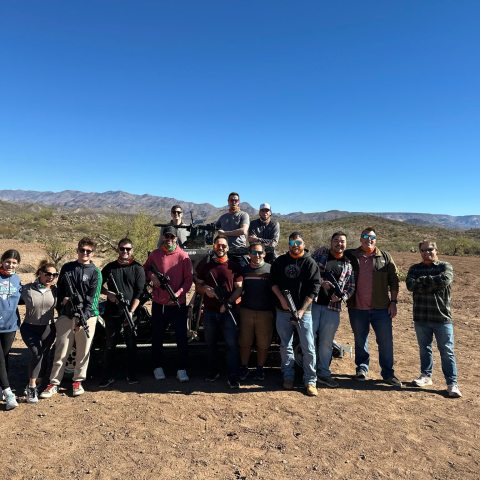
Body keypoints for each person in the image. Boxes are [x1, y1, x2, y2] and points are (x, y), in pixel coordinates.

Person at [40, 237, 102, 398]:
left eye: (88, 251)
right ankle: (53, 383)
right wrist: (63, 306)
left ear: (92, 253)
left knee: (83, 351)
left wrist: (84, 318)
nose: (85, 253)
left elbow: (93, 298)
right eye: (82, 250)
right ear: (78, 250)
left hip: (87, 317)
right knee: (61, 350)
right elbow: (60, 291)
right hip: (66, 316)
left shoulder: (96, 272)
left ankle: (78, 381)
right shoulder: (67, 268)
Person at [345, 227, 402, 387]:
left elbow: (394, 281)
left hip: (381, 308)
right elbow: (333, 254)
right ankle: (362, 369)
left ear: (376, 239)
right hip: (357, 307)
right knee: (360, 340)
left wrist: (394, 302)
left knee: (385, 342)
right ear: (360, 238)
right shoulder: (351, 255)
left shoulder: (384, 256)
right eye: (365, 236)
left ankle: (388, 374)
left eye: (372, 237)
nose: (368, 240)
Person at [406, 240, 462, 398]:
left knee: (447, 351)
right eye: (423, 250)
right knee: (425, 349)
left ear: (436, 250)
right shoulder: (414, 268)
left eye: (430, 249)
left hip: (442, 317)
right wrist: (431, 281)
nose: (426, 253)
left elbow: (444, 280)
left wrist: (421, 282)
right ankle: (426, 376)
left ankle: (452, 384)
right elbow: (410, 285)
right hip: (421, 317)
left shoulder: (445, 266)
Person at [271, 232, 321, 397]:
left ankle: (310, 381)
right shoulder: (280, 261)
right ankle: (288, 376)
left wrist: (301, 309)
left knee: (308, 347)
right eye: (292, 242)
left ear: (303, 243)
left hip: (304, 313)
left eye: (298, 242)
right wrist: (281, 300)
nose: (295, 245)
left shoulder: (310, 263)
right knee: (286, 346)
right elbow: (273, 283)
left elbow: (315, 288)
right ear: (288, 244)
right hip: (282, 311)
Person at [144, 226, 193, 382]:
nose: (169, 240)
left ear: (176, 238)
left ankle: (182, 368)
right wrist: (152, 277)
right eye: (167, 237)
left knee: (181, 338)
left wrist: (178, 295)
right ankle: (157, 367)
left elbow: (188, 281)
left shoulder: (183, 256)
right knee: (157, 336)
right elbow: (145, 269)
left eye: (172, 237)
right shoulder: (155, 254)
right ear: (163, 237)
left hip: (178, 306)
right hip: (159, 304)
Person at [195, 234, 243, 388]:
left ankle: (233, 376)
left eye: (223, 245)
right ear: (213, 247)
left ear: (227, 247)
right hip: (209, 312)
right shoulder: (206, 266)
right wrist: (205, 290)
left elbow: (239, 289)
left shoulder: (234, 266)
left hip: (228, 312)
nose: (220, 248)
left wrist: (228, 303)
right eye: (217, 245)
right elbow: (198, 286)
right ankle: (213, 372)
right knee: (211, 344)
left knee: (231, 345)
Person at [311, 232, 355, 388]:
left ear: (346, 244)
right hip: (313, 304)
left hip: (333, 308)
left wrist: (342, 297)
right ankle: (309, 373)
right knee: (309, 340)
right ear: (331, 242)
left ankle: (323, 373)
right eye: (336, 240)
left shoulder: (347, 264)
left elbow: (351, 287)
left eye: (342, 241)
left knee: (326, 342)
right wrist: (321, 281)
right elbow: (309, 271)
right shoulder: (320, 255)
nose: (339, 244)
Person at [100, 238, 146, 386]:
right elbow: (98, 286)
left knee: (131, 344)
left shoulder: (138, 268)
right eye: (122, 249)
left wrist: (131, 312)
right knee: (110, 344)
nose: (125, 252)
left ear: (132, 250)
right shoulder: (110, 268)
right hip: (112, 312)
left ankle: (132, 375)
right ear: (118, 250)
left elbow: (140, 293)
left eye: (128, 249)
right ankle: (107, 376)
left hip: (131, 312)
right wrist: (109, 294)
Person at [20, 261, 58, 404]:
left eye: (54, 275)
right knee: (37, 353)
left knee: (45, 355)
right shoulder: (27, 289)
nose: (51, 277)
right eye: (48, 274)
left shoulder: (55, 290)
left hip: (48, 328)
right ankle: (31, 387)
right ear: (40, 273)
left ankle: (41, 381)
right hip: (29, 327)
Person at [238, 242, 275, 382]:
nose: (257, 255)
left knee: (263, 343)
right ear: (249, 254)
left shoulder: (271, 270)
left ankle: (260, 369)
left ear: (264, 254)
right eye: (254, 252)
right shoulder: (244, 270)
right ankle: (244, 367)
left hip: (265, 313)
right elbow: (239, 289)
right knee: (244, 342)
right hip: (246, 311)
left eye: (260, 252)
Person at [0, 249, 22, 410]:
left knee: (5, 356)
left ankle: (1, 388)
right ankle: (9, 394)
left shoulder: (17, 279)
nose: (10, 265)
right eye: (8, 261)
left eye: (14, 263)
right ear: (2, 261)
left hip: (10, 325)